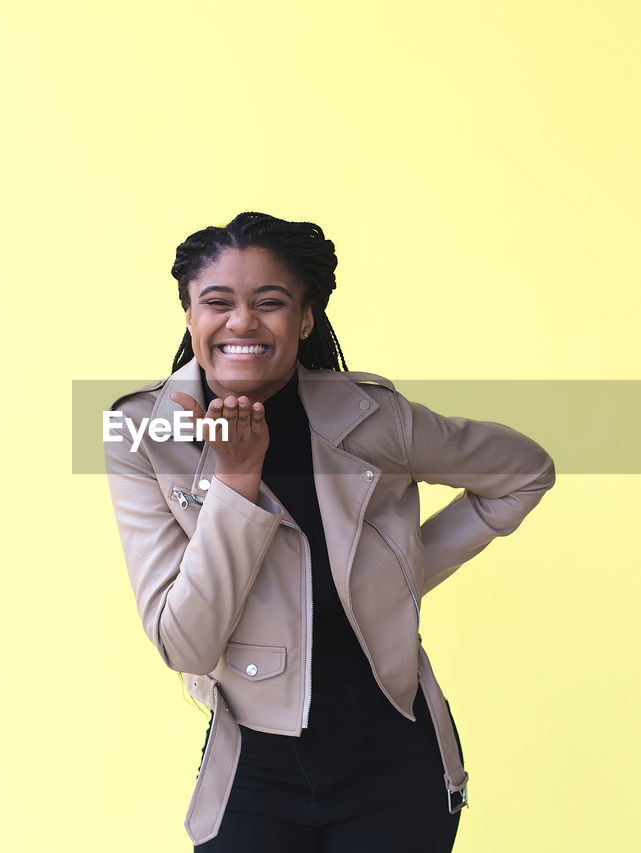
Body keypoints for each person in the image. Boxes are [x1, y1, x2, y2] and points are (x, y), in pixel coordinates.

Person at [104, 212, 556, 851]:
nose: (242, 322)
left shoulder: (375, 419)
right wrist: (236, 482)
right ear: (188, 315)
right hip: (253, 769)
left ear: (305, 319)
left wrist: (402, 574)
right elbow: (185, 646)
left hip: (396, 762)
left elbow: (524, 472)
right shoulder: (143, 435)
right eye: (217, 302)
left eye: (270, 302)